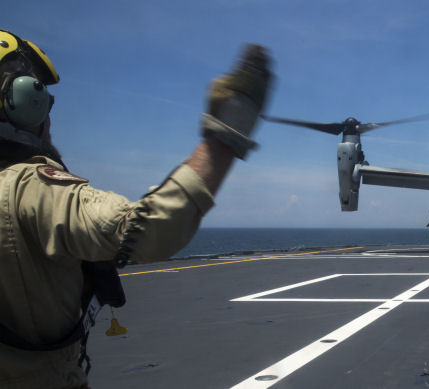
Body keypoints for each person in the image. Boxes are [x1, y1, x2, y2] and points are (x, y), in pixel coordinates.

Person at [0, 29, 272, 388]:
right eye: (44, 99)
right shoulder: (29, 189)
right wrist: (230, 127)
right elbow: (148, 229)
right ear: (21, 100)